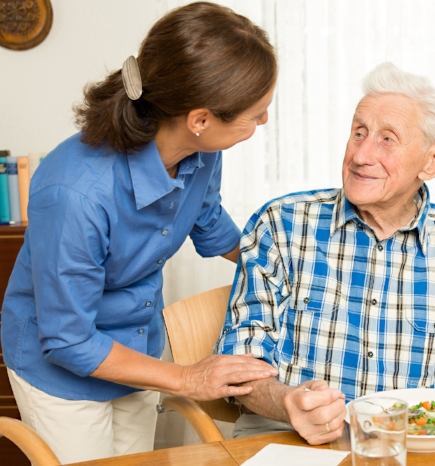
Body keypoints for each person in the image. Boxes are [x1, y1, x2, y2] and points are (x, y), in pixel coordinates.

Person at [1, 2, 279, 463]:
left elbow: (207, 220)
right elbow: (69, 339)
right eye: (256, 113)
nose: (263, 121)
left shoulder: (201, 151)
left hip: (137, 343)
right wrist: (189, 377)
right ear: (200, 119)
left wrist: (284, 263)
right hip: (62, 366)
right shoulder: (75, 193)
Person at [216, 62, 435, 445]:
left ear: (431, 161)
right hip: (289, 442)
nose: (360, 155)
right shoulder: (281, 224)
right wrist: (287, 401)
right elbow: (242, 363)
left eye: (387, 139)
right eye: (359, 133)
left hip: (411, 450)